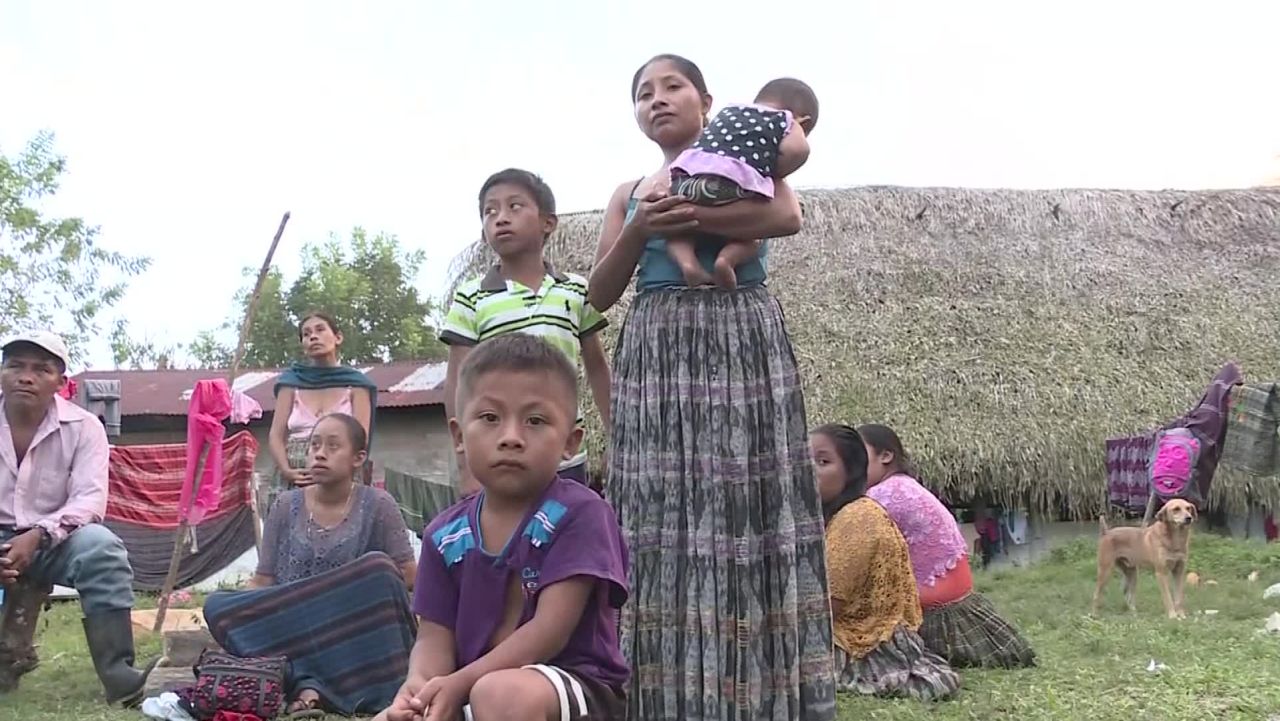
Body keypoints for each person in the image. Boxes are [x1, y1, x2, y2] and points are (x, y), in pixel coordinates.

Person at [588, 54, 834, 721]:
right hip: (658, 340)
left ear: (708, 100)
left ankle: (752, 690)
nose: (658, 100)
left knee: (739, 507)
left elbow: (786, 217)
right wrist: (643, 225)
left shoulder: (749, 161)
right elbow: (598, 296)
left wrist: (691, 217)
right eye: (644, 93)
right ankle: (661, 692)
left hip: (738, 334)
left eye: (673, 87)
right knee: (657, 515)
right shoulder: (627, 192)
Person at [376, 334, 629, 721]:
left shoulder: (580, 513)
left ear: (570, 441)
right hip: (470, 689)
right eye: (490, 418)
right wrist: (420, 685)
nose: (511, 437)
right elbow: (433, 637)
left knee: (499, 692)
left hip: (569, 685)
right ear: (459, 435)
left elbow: (549, 632)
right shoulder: (443, 535)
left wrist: (459, 684)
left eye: (536, 420)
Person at [203, 413, 418, 716]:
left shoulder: (378, 505)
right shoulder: (283, 506)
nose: (319, 453)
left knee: (379, 568)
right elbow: (263, 581)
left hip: (347, 629)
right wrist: (246, 610)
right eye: (314, 444)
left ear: (359, 458)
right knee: (216, 605)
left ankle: (307, 684)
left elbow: (407, 577)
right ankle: (309, 681)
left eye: (333, 446)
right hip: (295, 624)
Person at [0, 331, 156, 705]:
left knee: (101, 548)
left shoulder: (85, 427)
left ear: (60, 382)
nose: (26, 376)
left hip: (54, 539)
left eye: (42, 369)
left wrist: (38, 534)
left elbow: (88, 500)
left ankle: (121, 677)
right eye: (15, 366)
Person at [441, 169, 611, 497]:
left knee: (565, 536)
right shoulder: (472, 297)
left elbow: (597, 368)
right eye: (490, 211)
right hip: (499, 453)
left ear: (548, 222)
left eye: (514, 207)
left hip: (562, 451)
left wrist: (617, 439)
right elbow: (457, 381)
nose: (500, 218)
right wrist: (465, 465)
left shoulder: (575, 291)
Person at [859, 423, 1036, 668]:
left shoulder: (882, 496)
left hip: (933, 604)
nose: (852, 465)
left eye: (858, 455)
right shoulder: (906, 486)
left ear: (886, 456)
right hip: (958, 597)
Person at [810, 424, 960, 702]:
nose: (809, 471)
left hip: (868, 641)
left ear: (852, 469)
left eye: (823, 461)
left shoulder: (858, 517)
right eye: (803, 461)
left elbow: (829, 606)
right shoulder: (840, 513)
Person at [665, 77, 819, 290]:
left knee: (675, 229)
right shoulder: (785, 119)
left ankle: (688, 264)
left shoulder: (731, 110)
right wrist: (776, 171)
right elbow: (799, 150)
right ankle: (726, 260)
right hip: (731, 184)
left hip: (685, 180)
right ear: (805, 121)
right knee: (755, 231)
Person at [267, 312, 377, 508]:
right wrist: (286, 470)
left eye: (320, 330)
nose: (313, 337)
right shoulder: (291, 383)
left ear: (338, 337)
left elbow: (361, 437)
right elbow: (276, 435)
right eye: (306, 334)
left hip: (341, 474)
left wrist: (339, 469)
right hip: (295, 477)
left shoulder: (356, 385)